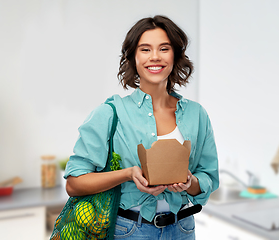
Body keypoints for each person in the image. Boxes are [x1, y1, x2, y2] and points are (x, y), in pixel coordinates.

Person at [64, 15, 219, 239]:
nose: (155, 57)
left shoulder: (197, 115)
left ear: (175, 55)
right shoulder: (110, 113)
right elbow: (74, 183)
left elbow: (209, 178)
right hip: (130, 230)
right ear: (133, 58)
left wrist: (190, 182)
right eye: (145, 49)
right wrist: (128, 174)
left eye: (164, 48)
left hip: (183, 229)